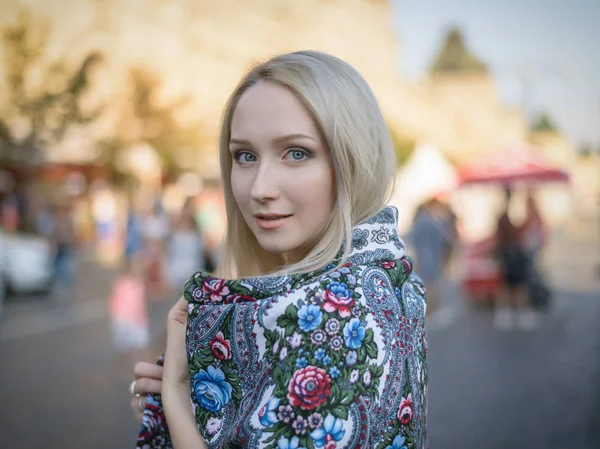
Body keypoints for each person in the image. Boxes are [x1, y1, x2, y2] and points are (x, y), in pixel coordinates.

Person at [130, 51, 428, 449]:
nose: (259, 189)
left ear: (353, 160)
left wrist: (178, 397)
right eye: (245, 156)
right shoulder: (387, 275)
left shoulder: (330, 319)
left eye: (296, 153)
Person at [493, 188, 532, 329]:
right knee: (512, 285)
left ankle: (511, 312)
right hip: (509, 253)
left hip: (509, 252)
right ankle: (509, 312)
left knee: (512, 285)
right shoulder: (504, 216)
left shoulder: (507, 215)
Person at [411, 197, 451, 315]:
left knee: (425, 283)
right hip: (434, 255)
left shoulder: (419, 223)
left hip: (423, 255)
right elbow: (443, 240)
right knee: (432, 283)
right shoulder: (433, 222)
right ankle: (431, 308)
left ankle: (428, 309)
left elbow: (415, 241)